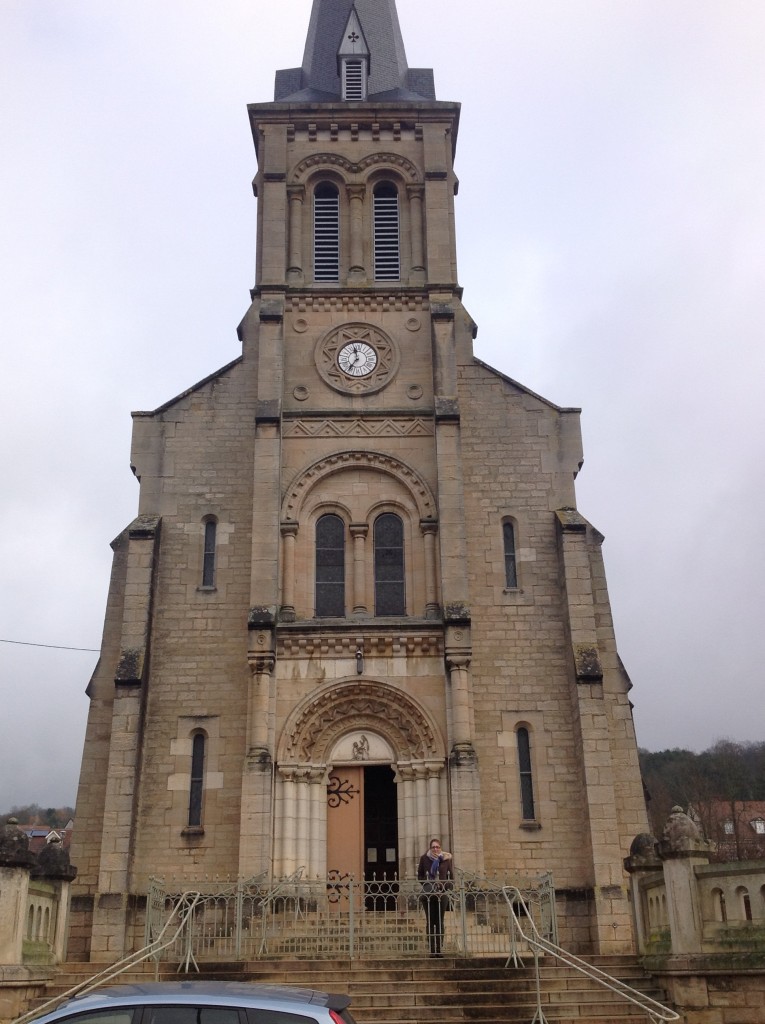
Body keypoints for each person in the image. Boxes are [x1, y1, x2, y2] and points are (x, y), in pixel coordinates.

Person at [417, 838, 454, 956]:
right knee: (430, 921)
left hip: (441, 895)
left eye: (437, 847)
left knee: (439, 922)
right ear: (430, 848)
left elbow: (451, 879)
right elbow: (420, 877)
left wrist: (443, 885)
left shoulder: (446, 860)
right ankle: (432, 950)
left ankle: (439, 949)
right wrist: (429, 883)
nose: (435, 849)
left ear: (440, 848)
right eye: (433, 847)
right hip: (428, 894)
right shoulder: (424, 858)